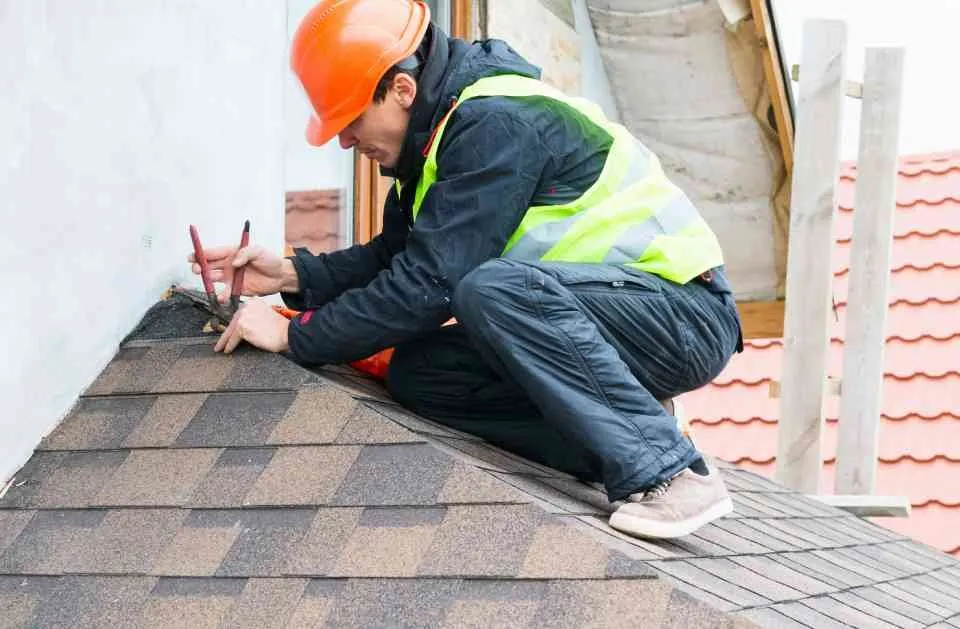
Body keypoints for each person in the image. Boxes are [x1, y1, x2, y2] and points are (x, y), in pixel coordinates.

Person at [189, 0, 744, 540]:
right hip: (607, 328)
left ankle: (670, 472)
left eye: (352, 118)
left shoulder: (494, 123)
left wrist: (293, 333)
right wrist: (290, 277)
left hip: (682, 315)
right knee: (422, 372)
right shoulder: (436, 145)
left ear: (402, 90)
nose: (344, 139)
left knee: (488, 290)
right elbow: (395, 261)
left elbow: (429, 286)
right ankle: (616, 435)